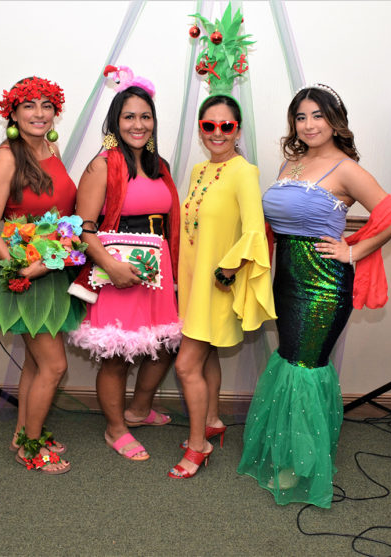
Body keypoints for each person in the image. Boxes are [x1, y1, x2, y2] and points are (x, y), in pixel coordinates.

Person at [238, 84, 391, 507]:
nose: (309, 124)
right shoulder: (291, 162)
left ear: (335, 120)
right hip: (287, 279)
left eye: (318, 115)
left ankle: (300, 463)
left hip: (324, 284)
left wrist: (353, 249)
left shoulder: (345, 168)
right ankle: (291, 451)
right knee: (291, 362)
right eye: (301, 116)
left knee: (306, 368)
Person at [67, 66, 181, 461]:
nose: (139, 124)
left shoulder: (159, 166)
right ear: (115, 121)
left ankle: (137, 410)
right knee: (117, 356)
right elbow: (83, 228)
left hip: (156, 271)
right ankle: (115, 429)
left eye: (145, 116)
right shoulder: (103, 165)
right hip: (115, 273)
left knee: (163, 346)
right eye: (129, 116)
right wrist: (112, 268)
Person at [0, 76, 85, 474]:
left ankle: (23, 431)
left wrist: (57, 253)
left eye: (46, 105)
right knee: (54, 366)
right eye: (29, 106)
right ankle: (31, 447)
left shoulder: (50, 147)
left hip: (52, 270)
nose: (39, 114)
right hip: (22, 276)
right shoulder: (7, 156)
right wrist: (20, 268)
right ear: (14, 112)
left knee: (40, 364)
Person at [169, 94, 276, 479]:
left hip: (217, 285)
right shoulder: (199, 170)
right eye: (209, 126)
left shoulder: (244, 171)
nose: (217, 133)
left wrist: (228, 270)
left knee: (185, 365)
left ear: (238, 130)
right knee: (207, 354)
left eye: (226, 126)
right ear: (200, 129)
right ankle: (211, 419)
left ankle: (199, 446)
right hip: (195, 284)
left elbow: (253, 232)